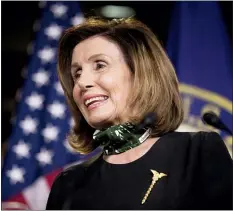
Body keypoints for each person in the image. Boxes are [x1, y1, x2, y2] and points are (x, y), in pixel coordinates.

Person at [46, 17, 232, 210]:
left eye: (100, 65)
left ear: (140, 73)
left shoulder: (196, 151)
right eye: (77, 74)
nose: (82, 83)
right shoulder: (68, 184)